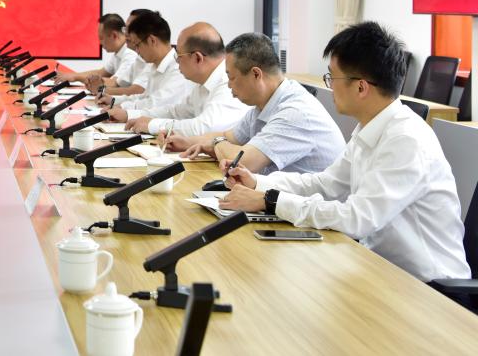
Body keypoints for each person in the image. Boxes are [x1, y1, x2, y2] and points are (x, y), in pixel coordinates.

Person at [220, 22, 470, 283]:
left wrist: (270, 201)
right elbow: (325, 185)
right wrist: (257, 183)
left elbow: (357, 218)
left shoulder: (406, 140)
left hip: (429, 288)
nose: (330, 86)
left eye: (332, 78)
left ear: (361, 87)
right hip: (378, 270)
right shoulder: (369, 127)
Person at [164, 32, 344, 175]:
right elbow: (229, 136)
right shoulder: (264, 104)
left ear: (256, 74)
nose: (228, 85)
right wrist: (186, 142)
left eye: (231, 77)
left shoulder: (295, 112)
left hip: (311, 208)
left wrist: (217, 143)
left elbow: (244, 162)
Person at [113, 22, 249, 135]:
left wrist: (153, 125)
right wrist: (130, 115)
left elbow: (203, 128)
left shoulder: (228, 81)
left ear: (197, 58)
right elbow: (177, 112)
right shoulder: (203, 83)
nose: (176, 61)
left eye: (178, 56)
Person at [99, 10, 193, 115]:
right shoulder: (153, 65)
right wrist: (114, 101)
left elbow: (157, 104)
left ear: (152, 40)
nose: (137, 51)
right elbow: (144, 97)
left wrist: (124, 110)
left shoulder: (178, 68)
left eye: (137, 45)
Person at [58, 14, 142, 95]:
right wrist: (74, 76)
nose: (100, 43)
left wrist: (76, 77)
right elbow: (101, 73)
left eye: (101, 38)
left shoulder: (130, 54)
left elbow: (114, 83)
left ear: (114, 35)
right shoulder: (119, 53)